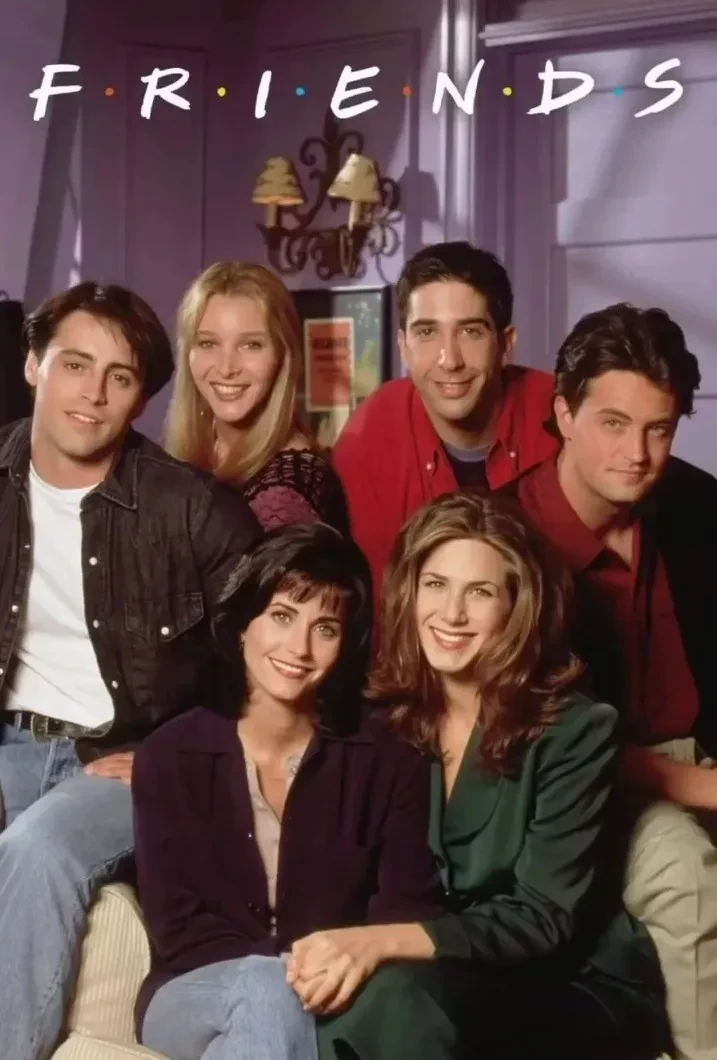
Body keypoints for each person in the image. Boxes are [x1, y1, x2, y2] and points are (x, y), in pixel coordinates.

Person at [286, 493, 667, 1060]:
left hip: (569, 983)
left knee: (394, 1001)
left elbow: (542, 919)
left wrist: (378, 942)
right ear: (410, 592)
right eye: (436, 585)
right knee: (334, 1001)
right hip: (436, 974)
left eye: (480, 592)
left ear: (517, 606)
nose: (452, 613)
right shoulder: (382, 716)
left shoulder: (577, 729)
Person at [0, 280, 261, 1060]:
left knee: (39, 850)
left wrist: (176, 754)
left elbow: (276, 673)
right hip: (10, 744)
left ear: (141, 399)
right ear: (34, 365)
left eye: (118, 377)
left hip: (123, 759)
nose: (93, 393)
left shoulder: (194, 511)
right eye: (75, 365)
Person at [132, 522, 444, 1060]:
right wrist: (292, 974)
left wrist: (334, 971)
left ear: (346, 645)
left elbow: (404, 906)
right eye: (281, 616)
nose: (299, 647)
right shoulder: (170, 755)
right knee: (266, 988)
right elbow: (179, 928)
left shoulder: (389, 758)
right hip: (192, 991)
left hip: (335, 993)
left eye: (325, 628)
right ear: (242, 625)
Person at [505, 302, 717, 1060]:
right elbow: (527, 727)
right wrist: (695, 787)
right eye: (613, 424)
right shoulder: (501, 539)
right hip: (578, 784)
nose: (637, 453)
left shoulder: (697, 506)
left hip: (699, 758)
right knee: (688, 875)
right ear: (563, 413)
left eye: (659, 429)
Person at [332, 241, 559, 612]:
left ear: (505, 344)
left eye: (471, 331)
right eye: (427, 333)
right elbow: (380, 607)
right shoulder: (369, 437)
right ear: (403, 346)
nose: (449, 360)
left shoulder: (562, 417)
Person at [165, 261, 350, 532]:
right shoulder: (203, 449)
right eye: (208, 343)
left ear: (283, 354)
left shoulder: (284, 497)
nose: (226, 368)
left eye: (251, 345)